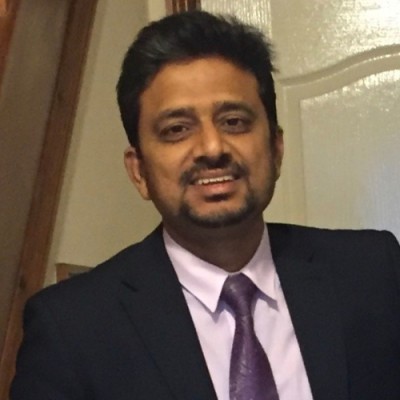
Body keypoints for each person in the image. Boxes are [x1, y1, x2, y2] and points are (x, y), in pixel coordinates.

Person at [11, 10, 400, 400]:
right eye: (177, 130)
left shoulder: (373, 272)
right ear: (139, 171)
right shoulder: (72, 329)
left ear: (276, 149)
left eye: (234, 121)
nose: (212, 148)